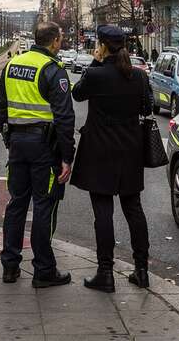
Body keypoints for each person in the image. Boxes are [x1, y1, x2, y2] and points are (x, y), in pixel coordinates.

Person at [0, 21, 76, 288]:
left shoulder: (13, 65)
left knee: (16, 204)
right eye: (60, 39)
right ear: (53, 42)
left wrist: (8, 137)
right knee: (43, 206)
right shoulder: (53, 69)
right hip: (44, 147)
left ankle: (9, 265)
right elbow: (64, 118)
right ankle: (43, 269)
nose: (61, 42)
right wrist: (67, 156)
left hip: (17, 143)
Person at [71, 25, 153, 292]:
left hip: (99, 151)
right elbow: (147, 107)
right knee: (134, 210)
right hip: (130, 150)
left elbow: (77, 94)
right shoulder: (138, 77)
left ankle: (105, 272)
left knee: (103, 212)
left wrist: (95, 61)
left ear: (103, 45)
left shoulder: (96, 74)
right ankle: (142, 271)